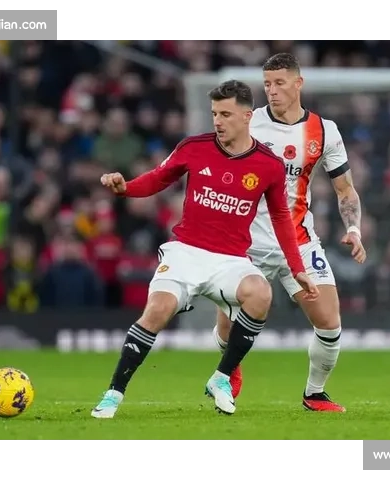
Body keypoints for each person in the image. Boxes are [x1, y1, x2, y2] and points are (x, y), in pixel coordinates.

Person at [91, 79, 319, 419]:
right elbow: (158, 177)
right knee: (157, 310)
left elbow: (281, 218)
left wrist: (297, 267)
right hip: (186, 252)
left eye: (226, 114)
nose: (218, 121)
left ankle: (221, 377)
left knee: (261, 293)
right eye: (215, 114)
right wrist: (126, 188)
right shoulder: (194, 147)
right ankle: (113, 393)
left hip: (230, 261)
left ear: (247, 116)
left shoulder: (268, 165)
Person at [212, 53, 366, 412]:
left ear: (298, 84)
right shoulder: (248, 123)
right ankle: (230, 368)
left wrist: (354, 229)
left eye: (279, 83)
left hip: (298, 241)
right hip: (246, 244)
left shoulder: (324, 131)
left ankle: (314, 393)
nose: (272, 90)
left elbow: (345, 189)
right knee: (227, 326)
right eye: (267, 84)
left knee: (329, 322)